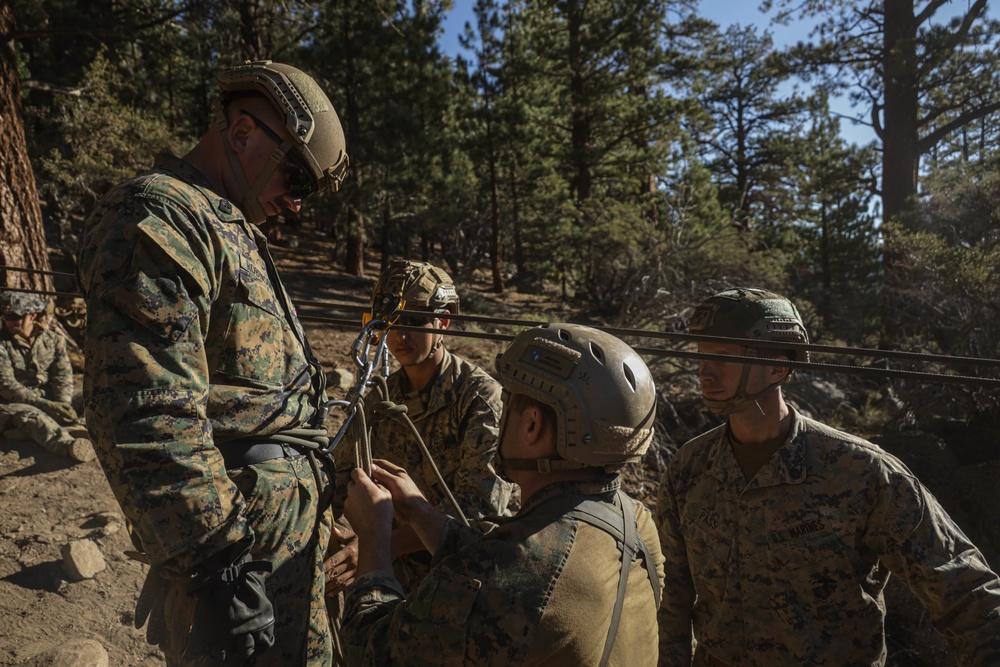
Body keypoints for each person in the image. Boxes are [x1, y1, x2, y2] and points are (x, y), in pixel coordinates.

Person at [76, 60, 349, 667]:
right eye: (297, 179)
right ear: (245, 132)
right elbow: (144, 406)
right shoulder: (161, 214)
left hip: (277, 542)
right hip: (239, 556)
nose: (298, 205)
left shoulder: (229, 224)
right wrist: (216, 562)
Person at [656, 287, 1000, 666]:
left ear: (777, 366)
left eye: (722, 357)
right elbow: (672, 594)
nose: (705, 370)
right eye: (701, 355)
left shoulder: (861, 472)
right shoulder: (689, 469)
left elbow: (964, 590)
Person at [341, 323, 665, 666]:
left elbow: (371, 648)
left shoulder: (512, 576)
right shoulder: (638, 523)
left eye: (508, 404)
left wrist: (375, 539)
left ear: (531, 426)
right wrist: (422, 513)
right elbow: (501, 558)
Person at [325, 259, 514, 597]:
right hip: (391, 580)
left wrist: (373, 546)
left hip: (459, 583)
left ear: (443, 322)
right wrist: (332, 533)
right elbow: (339, 480)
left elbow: (478, 517)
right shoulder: (381, 397)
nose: (400, 335)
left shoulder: (479, 398)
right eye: (390, 322)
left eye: (413, 321)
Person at [0, 291, 93, 463]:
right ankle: (69, 445)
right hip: (12, 403)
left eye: (16, 316)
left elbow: (62, 375)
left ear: (32, 315)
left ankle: (78, 426)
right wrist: (45, 405)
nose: (10, 321)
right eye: (6, 316)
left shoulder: (53, 340)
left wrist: (63, 403)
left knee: (91, 395)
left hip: (48, 397)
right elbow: (7, 386)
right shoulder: (2, 343)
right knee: (32, 416)